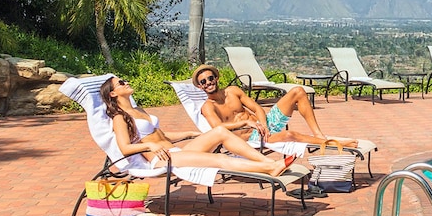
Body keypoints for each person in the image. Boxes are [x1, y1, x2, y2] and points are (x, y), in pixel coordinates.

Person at [101, 75, 293, 177]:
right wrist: (149, 146)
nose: (126, 83)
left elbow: (160, 135)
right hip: (160, 160)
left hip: (175, 151)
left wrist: (192, 133)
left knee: (219, 131)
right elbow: (125, 148)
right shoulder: (120, 117)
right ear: (113, 94)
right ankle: (269, 168)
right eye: (121, 83)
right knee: (217, 160)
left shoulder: (139, 110)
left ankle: (267, 163)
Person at [192, 64, 358, 149]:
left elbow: (257, 108)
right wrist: (246, 123)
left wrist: (264, 124)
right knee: (290, 135)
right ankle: (329, 144)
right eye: (203, 82)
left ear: (216, 78)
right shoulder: (208, 107)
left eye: (210, 78)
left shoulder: (233, 91)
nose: (208, 83)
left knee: (298, 91)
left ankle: (319, 135)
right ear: (200, 86)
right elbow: (219, 128)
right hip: (251, 138)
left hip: (266, 126)